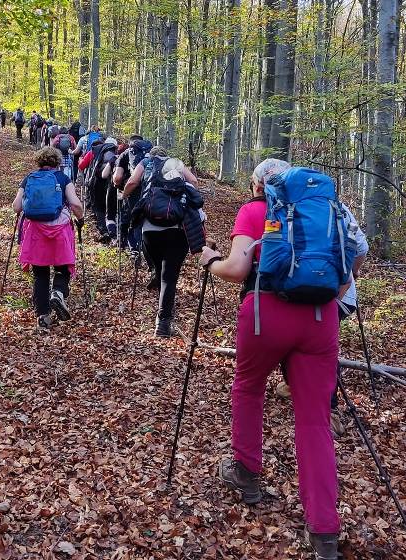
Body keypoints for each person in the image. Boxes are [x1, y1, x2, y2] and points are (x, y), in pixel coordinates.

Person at [198, 158, 347, 560]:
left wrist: (209, 260)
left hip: (265, 313)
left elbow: (237, 267)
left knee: (249, 388)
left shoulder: (255, 210)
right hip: (320, 317)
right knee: (314, 419)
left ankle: (246, 472)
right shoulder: (328, 212)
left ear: (259, 184)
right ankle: (324, 530)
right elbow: (347, 273)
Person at [275, 199, 369, 438]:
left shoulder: (285, 207)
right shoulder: (336, 206)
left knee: (319, 349)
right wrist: (351, 273)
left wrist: (349, 275)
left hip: (328, 295)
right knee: (299, 341)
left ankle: (330, 410)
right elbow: (361, 247)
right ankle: (296, 386)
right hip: (336, 293)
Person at [123, 148, 205, 337]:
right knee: (169, 276)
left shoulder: (146, 163)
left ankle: (157, 279)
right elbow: (193, 181)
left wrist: (125, 196)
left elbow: (133, 181)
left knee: (160, 271)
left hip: (150, 227)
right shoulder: (177, 162)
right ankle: (163, 322)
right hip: (177, 228)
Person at [11, 147, 84, 330]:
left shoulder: (29, 178)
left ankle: (43, 317)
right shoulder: (63, 178)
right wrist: (80, 218)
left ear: (39, 161)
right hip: (60, 229)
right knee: (63, 267)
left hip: (35, 230)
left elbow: (16, 206)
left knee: (40, 273)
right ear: (57, 162)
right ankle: (58, 293)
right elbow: (75, 203)